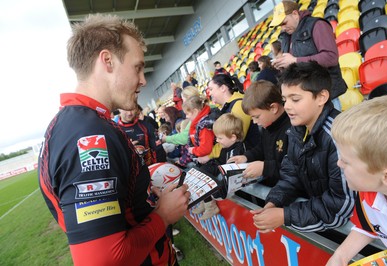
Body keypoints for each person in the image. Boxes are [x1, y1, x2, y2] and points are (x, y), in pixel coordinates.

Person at [38, 14, 190, 265]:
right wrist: (162, 217)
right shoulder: (88, 135)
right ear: (107, 60)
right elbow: (102, 259)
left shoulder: (76, 123)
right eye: (137, 67)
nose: (143, 80)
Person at [251, 62, 355, 233]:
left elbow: (340, 207)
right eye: (285, 100)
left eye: (295, 99)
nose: (287, 106)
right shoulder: (296, 131)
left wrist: (285, 215)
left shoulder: (339, 137)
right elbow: (290, 176)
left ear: (321, 97)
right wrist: (273, 202)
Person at [326, 95, 387, 265]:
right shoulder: (368, 193)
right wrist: (340, 257)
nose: (339, 163)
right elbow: (369, 225)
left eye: (346, 160)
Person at [269, 0, 347, 111]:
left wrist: (295, 61)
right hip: (306, 96)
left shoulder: (317, 25)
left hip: (326, 95)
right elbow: (294, 63)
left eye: (284, 23)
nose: (282, 28)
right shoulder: (286, 35)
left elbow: (331, 57)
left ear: (295, 14)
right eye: (280, 25)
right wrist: (283, 66)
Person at [228, 80, 291, 187]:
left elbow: (294, 169)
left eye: (256, 117)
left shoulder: (292, 129)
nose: (254, 121)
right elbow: (262, 148)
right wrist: (246, 157)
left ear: (273, 108)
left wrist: (265, 168)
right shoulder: (268, 127)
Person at [194, 113, 246, 220]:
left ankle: (210, 205)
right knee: (202, 171)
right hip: (220, 171)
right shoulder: (225, 146)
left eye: (219, 138)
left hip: (229, 182)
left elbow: (230, 171)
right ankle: (207, 203)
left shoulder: (237, 150)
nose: (217, 140)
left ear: (233, 137)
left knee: (209, 175)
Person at [201, 74, 260, 163]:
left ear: (223, 88)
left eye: (211, 89)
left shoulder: (238, 105)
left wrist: (210, 155)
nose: (210, 93)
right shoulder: (228, 106)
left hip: (250, 159)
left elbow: (234, 139)